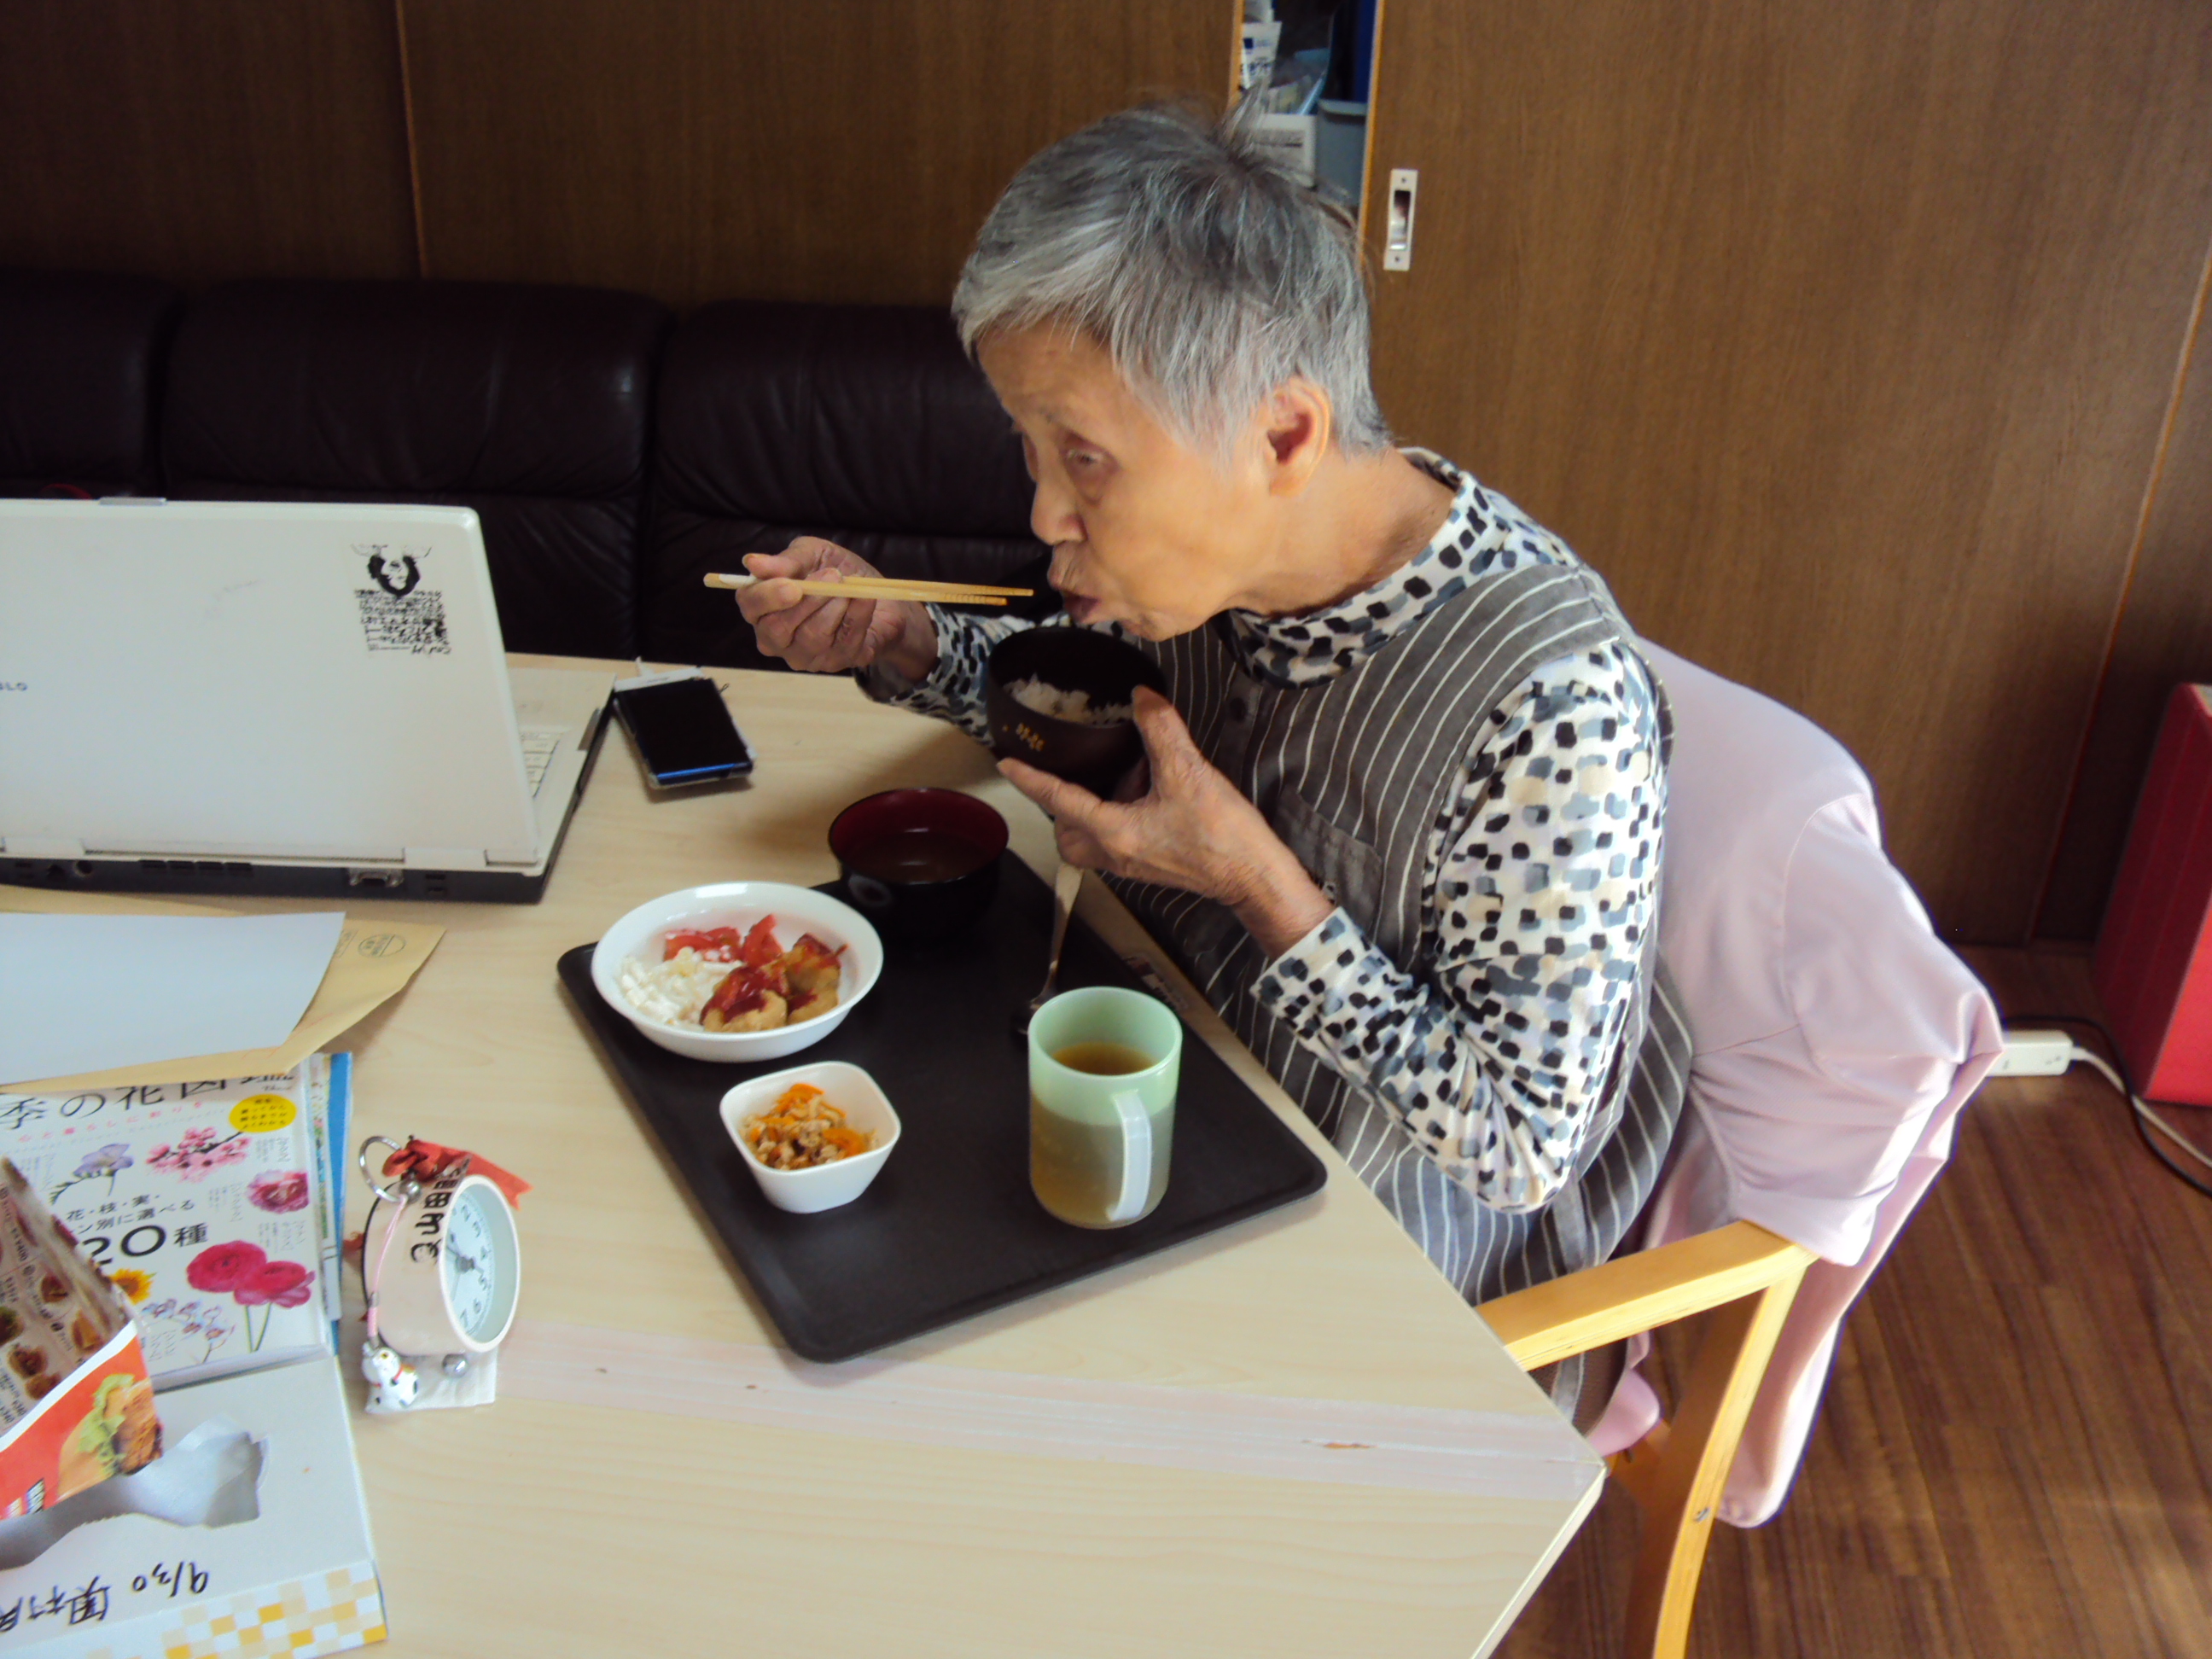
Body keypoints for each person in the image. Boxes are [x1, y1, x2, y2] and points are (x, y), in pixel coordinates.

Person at [736, 104, 1687, 1384]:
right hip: (1138, 1104)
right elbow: (1074, 702)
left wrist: (1258, 885)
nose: (1044, 512)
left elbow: (1521, 1146)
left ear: (1283, 437)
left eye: (1084, 458)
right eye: (1030, 449)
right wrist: (904, 637)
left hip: (1354, 1271)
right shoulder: (1213, 565)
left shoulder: (1555, 710)